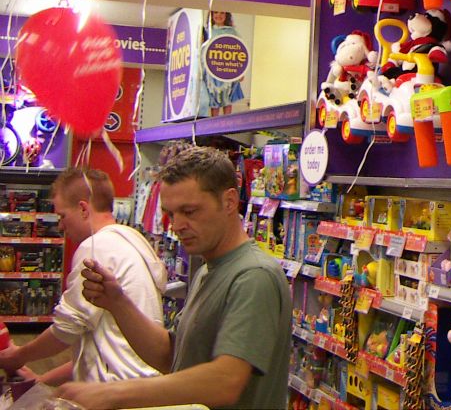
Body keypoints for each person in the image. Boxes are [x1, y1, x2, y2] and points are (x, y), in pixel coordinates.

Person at [55, 148, 291, 410]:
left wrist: (113, 393)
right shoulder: (207, 271)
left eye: (189, 212)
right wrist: (117, 302)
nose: (176, 225)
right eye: (171, 213)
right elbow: (172, 358)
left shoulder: (253, 276)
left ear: (229, 201)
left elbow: (226, 381)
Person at [0, 168, 166, 385]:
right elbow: (99, 350)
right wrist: (41, 381)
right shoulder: (132, 243)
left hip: (118, 394)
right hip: (140, 387)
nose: (60, 226)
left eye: (62, 216)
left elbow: (67, 328)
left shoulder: (98, 248)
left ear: (83, 209)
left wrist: (17, 356)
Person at [202, 11, 246, 116]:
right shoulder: (208, 32)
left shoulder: (232, 32)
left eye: (222, 13)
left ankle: (227, 123)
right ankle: (213, 126)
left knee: (228, 96)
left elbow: (238, 52)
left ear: (226, 15)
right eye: (216, 13)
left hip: (228, 69)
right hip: (212, 70)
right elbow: (203, 51)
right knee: (214, 98)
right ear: (211, 15)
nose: (219, 15)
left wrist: (240, 72)